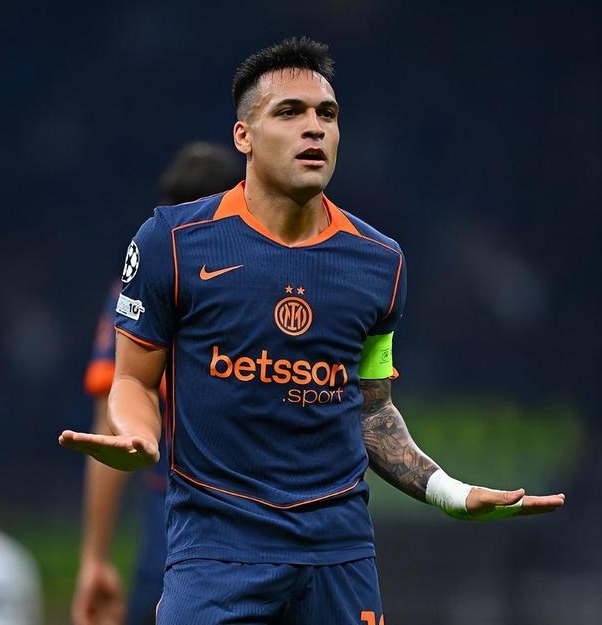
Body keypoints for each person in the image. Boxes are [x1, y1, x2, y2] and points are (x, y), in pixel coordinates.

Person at [60, 38, 565, 625]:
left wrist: (450, 493)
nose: (314, 128)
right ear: (244, 136)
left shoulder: (380, 262)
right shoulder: (170, 242)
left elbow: (372, 410)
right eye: (289, 112)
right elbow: (132, 380)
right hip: (216, 552)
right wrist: (140, 435)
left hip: (339, 555)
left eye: (327, 114)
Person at [72, 142, 242, 625]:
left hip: (185, 523)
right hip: (200, 517)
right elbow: (113, 426)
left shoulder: (144, 283)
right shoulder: (142, 288)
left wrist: (95, 557)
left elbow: (108, 425)